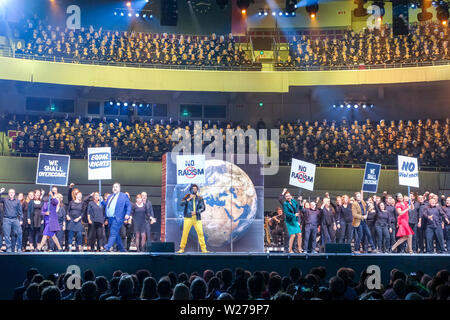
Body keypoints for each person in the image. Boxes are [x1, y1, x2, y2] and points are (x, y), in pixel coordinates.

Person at [177, 184, 208, 253]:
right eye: (193, 188)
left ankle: (204, 249)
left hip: (197, 218)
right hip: (188, 217)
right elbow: (181, 204)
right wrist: (188, 199)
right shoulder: (186, 197)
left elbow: (203, 208)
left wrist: (196, 212)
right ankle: (182, 248)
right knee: (185, 233)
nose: (194, 190)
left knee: (200, 233)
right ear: (190, 189)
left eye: (196, 189)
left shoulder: (200, 198)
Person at [103, 182, 131, 252]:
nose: (115, 188)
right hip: (110, 218)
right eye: (114, 187)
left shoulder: (123, 196)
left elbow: (129, 205)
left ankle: (107, 247)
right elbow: (106, 205)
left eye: (116, 187)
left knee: (113, 232)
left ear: (119, 188)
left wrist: (127, 213)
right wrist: (101, 202)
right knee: (116, 234)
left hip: (118, 218)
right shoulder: (110, 196)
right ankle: (122, 249)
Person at [0, 188, 23, 252]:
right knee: (7, 235)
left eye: (12, 192)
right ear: (8, 193)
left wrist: (21, 219)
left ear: (14, 193)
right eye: (10, 192)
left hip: (15, 219)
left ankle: (19, 248)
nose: (11, 193)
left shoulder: (17, 201)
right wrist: (0, 192)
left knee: (19, 232)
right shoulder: (5, 199)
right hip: (6, 219)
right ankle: (8, 248)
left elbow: (20, 211)